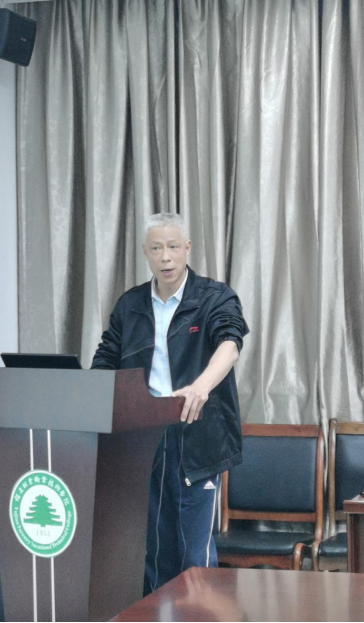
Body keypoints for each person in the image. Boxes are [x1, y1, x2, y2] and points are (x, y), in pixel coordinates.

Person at [91, 212, 249, 594]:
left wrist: (200, 387)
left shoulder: (214, 297)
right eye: (157, 248)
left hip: (196, 436)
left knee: (194, 555)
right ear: (145, 252)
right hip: (142, 438)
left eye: (173, 246)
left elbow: (231, 344)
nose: (166, 257)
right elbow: (105, 361)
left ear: (187, 248)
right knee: (152, 553)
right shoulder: (130, 305)